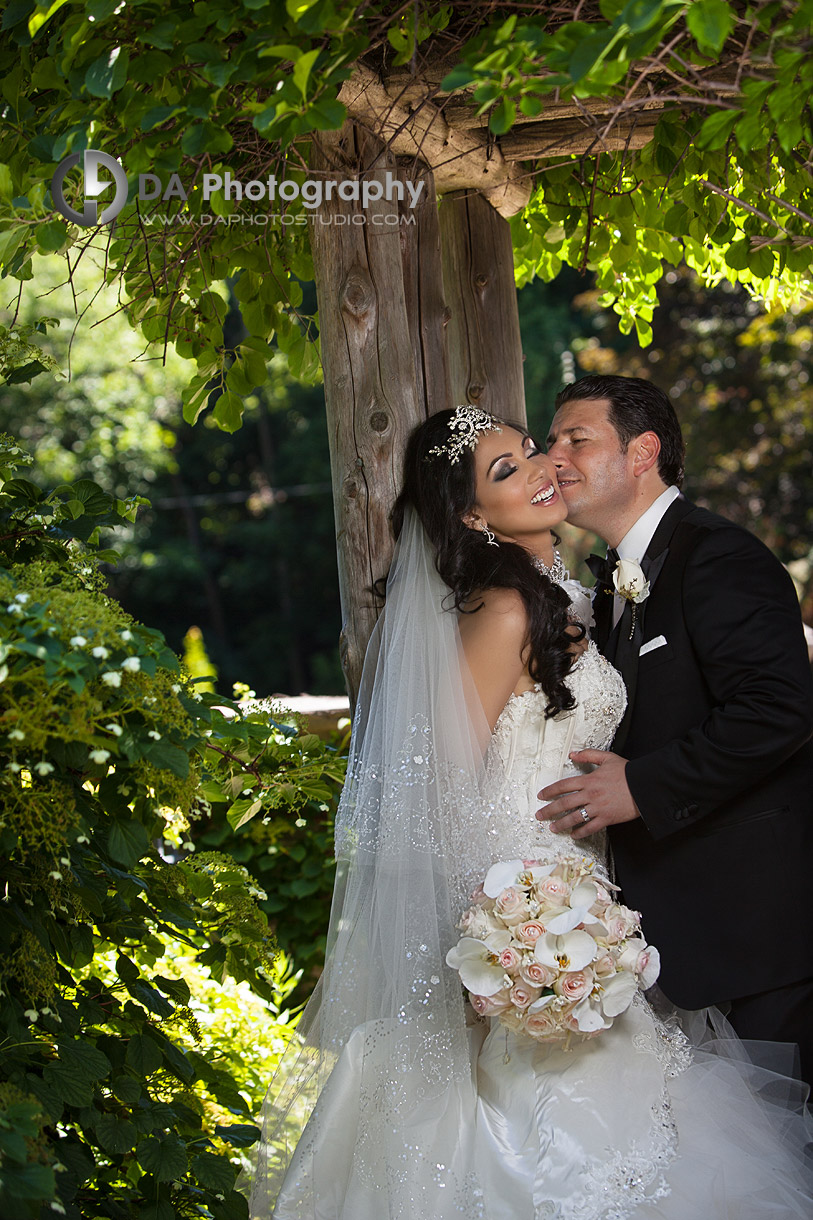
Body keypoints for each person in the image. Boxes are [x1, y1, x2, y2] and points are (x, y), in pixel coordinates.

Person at [246, 406, 812, 1220]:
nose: (543, 466)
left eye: (534, 450)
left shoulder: (583, 598)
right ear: (474, 516)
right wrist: (505, 926)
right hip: (529, 908)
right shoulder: (503, 611)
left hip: (602, 905)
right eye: (507, 469)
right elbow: (434, 791)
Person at [539, 375, 813, 1089]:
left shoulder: (718, 556)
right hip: (671, 941)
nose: (554, 456)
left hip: (760, 938)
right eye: (550, 441)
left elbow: (778, 707)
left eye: (577, 438)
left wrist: (640, 784)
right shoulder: (605, 588)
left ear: (642, 452)